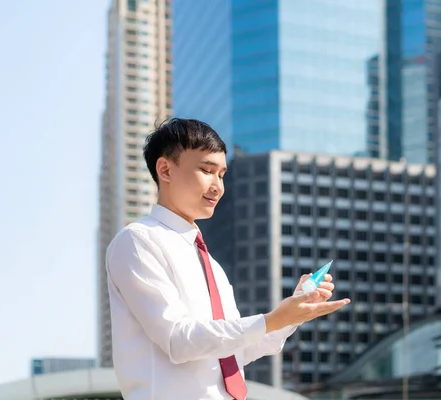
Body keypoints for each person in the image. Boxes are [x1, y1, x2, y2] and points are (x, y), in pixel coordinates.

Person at [105, 118, 351, 400]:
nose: (218, 187)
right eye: (207, 171)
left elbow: (234, 353)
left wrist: (291, 314)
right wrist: (271, 319)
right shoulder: (137, 241)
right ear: (165, 169)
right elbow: (177, 340)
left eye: (221, 175)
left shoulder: (211, 265)